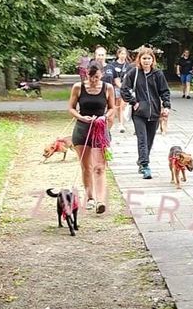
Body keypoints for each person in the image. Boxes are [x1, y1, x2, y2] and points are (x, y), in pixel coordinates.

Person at [68, 62, 115, 213]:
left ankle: (101, 200)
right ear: (86, 74)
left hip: (100, 129)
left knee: (100, 167)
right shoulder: (78, 87)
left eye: (96, 77)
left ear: (102, 74)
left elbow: (112, 108)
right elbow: (71, 108)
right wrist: (81, 117)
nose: (93, 80)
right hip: (82, 129)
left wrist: (104, 118)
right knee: (86, 166)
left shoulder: (108, 88)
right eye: (90, 76)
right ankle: (90, 197)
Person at [120, 47, 171, 180]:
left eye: (149, 58)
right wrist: (134, 102)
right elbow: (124, 89)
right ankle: (145, 165)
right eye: (144, 58)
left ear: (153, 60)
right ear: (139, 59)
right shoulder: (134, 73)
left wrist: (166, 106)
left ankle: (142, 159)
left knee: (149, 140)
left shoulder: (158, 74)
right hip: (139, 112)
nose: (146, 61)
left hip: (154, 111)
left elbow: (164, 91)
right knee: (142, 138)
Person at [104, 46, 133, 133]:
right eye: (121, 53)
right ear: (118, 54)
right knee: (116, 105)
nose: (123, 55)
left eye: (124, 54)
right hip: (115, 87)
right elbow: (113, 77)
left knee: (122, 106)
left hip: (125, 87)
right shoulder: (112, 65)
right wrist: (119, 85)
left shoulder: (128, 65)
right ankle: (117, 120)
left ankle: (121, 124)